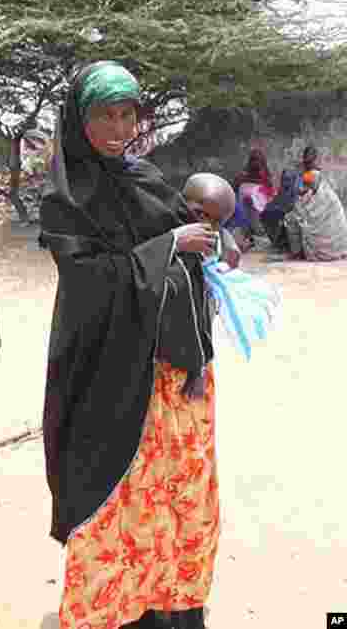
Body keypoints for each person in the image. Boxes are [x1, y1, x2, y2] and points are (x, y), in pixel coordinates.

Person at [40, 61, 241, 629]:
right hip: (115, 376)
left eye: (127, 113)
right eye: (104, 114)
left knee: (179, 500)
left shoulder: (147, 178)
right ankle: (119, 614)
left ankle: (173, 611)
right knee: (120, 500)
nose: (118, 126)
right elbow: (88, 283)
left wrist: (211, 247)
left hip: (177, 379)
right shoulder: (67, 198)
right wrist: (167, 247)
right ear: (79, 121)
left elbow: (194, 241)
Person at [285, 164, 347, 261]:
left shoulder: (325, 195)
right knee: (292, 218)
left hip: (329, 239)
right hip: (332, 239)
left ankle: (298, 253)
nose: (307, 186)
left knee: (294, 221)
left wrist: (298, 209)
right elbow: (306, 207)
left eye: (309, 183)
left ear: (315, 182)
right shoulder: (316, 190)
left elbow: (310, 214)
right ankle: (297, 251)